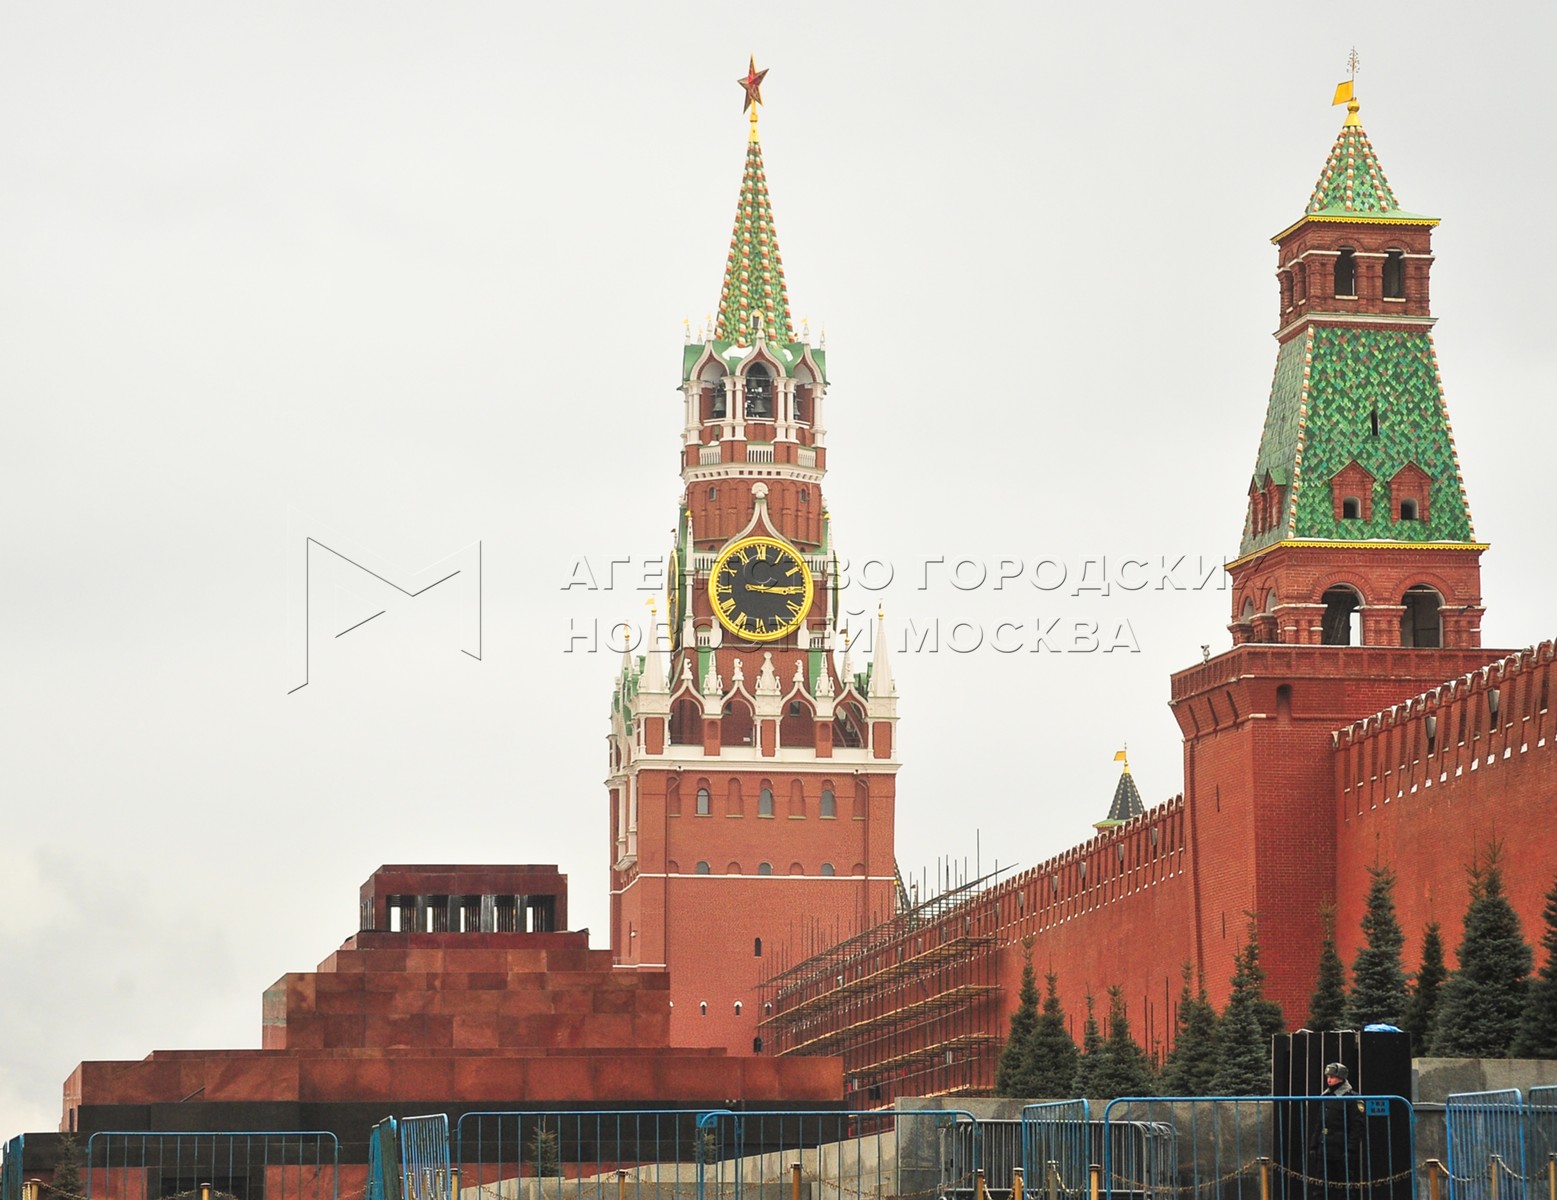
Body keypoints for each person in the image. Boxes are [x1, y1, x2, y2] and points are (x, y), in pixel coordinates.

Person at [1309, 1063, 1365, 1200]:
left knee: (1344, 1188)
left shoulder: (1352, 1098)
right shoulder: (1326, 1096)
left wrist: (1350, 1150)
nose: (1329, 1080)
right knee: (1320, 1187)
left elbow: (1357, 1127)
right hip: (1325, 1147)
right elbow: (1320, 1123)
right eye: (1328, 1076)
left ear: (1341, 1078)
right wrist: (1314, 1145)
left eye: (1333, 1077)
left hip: (1341, 1148)